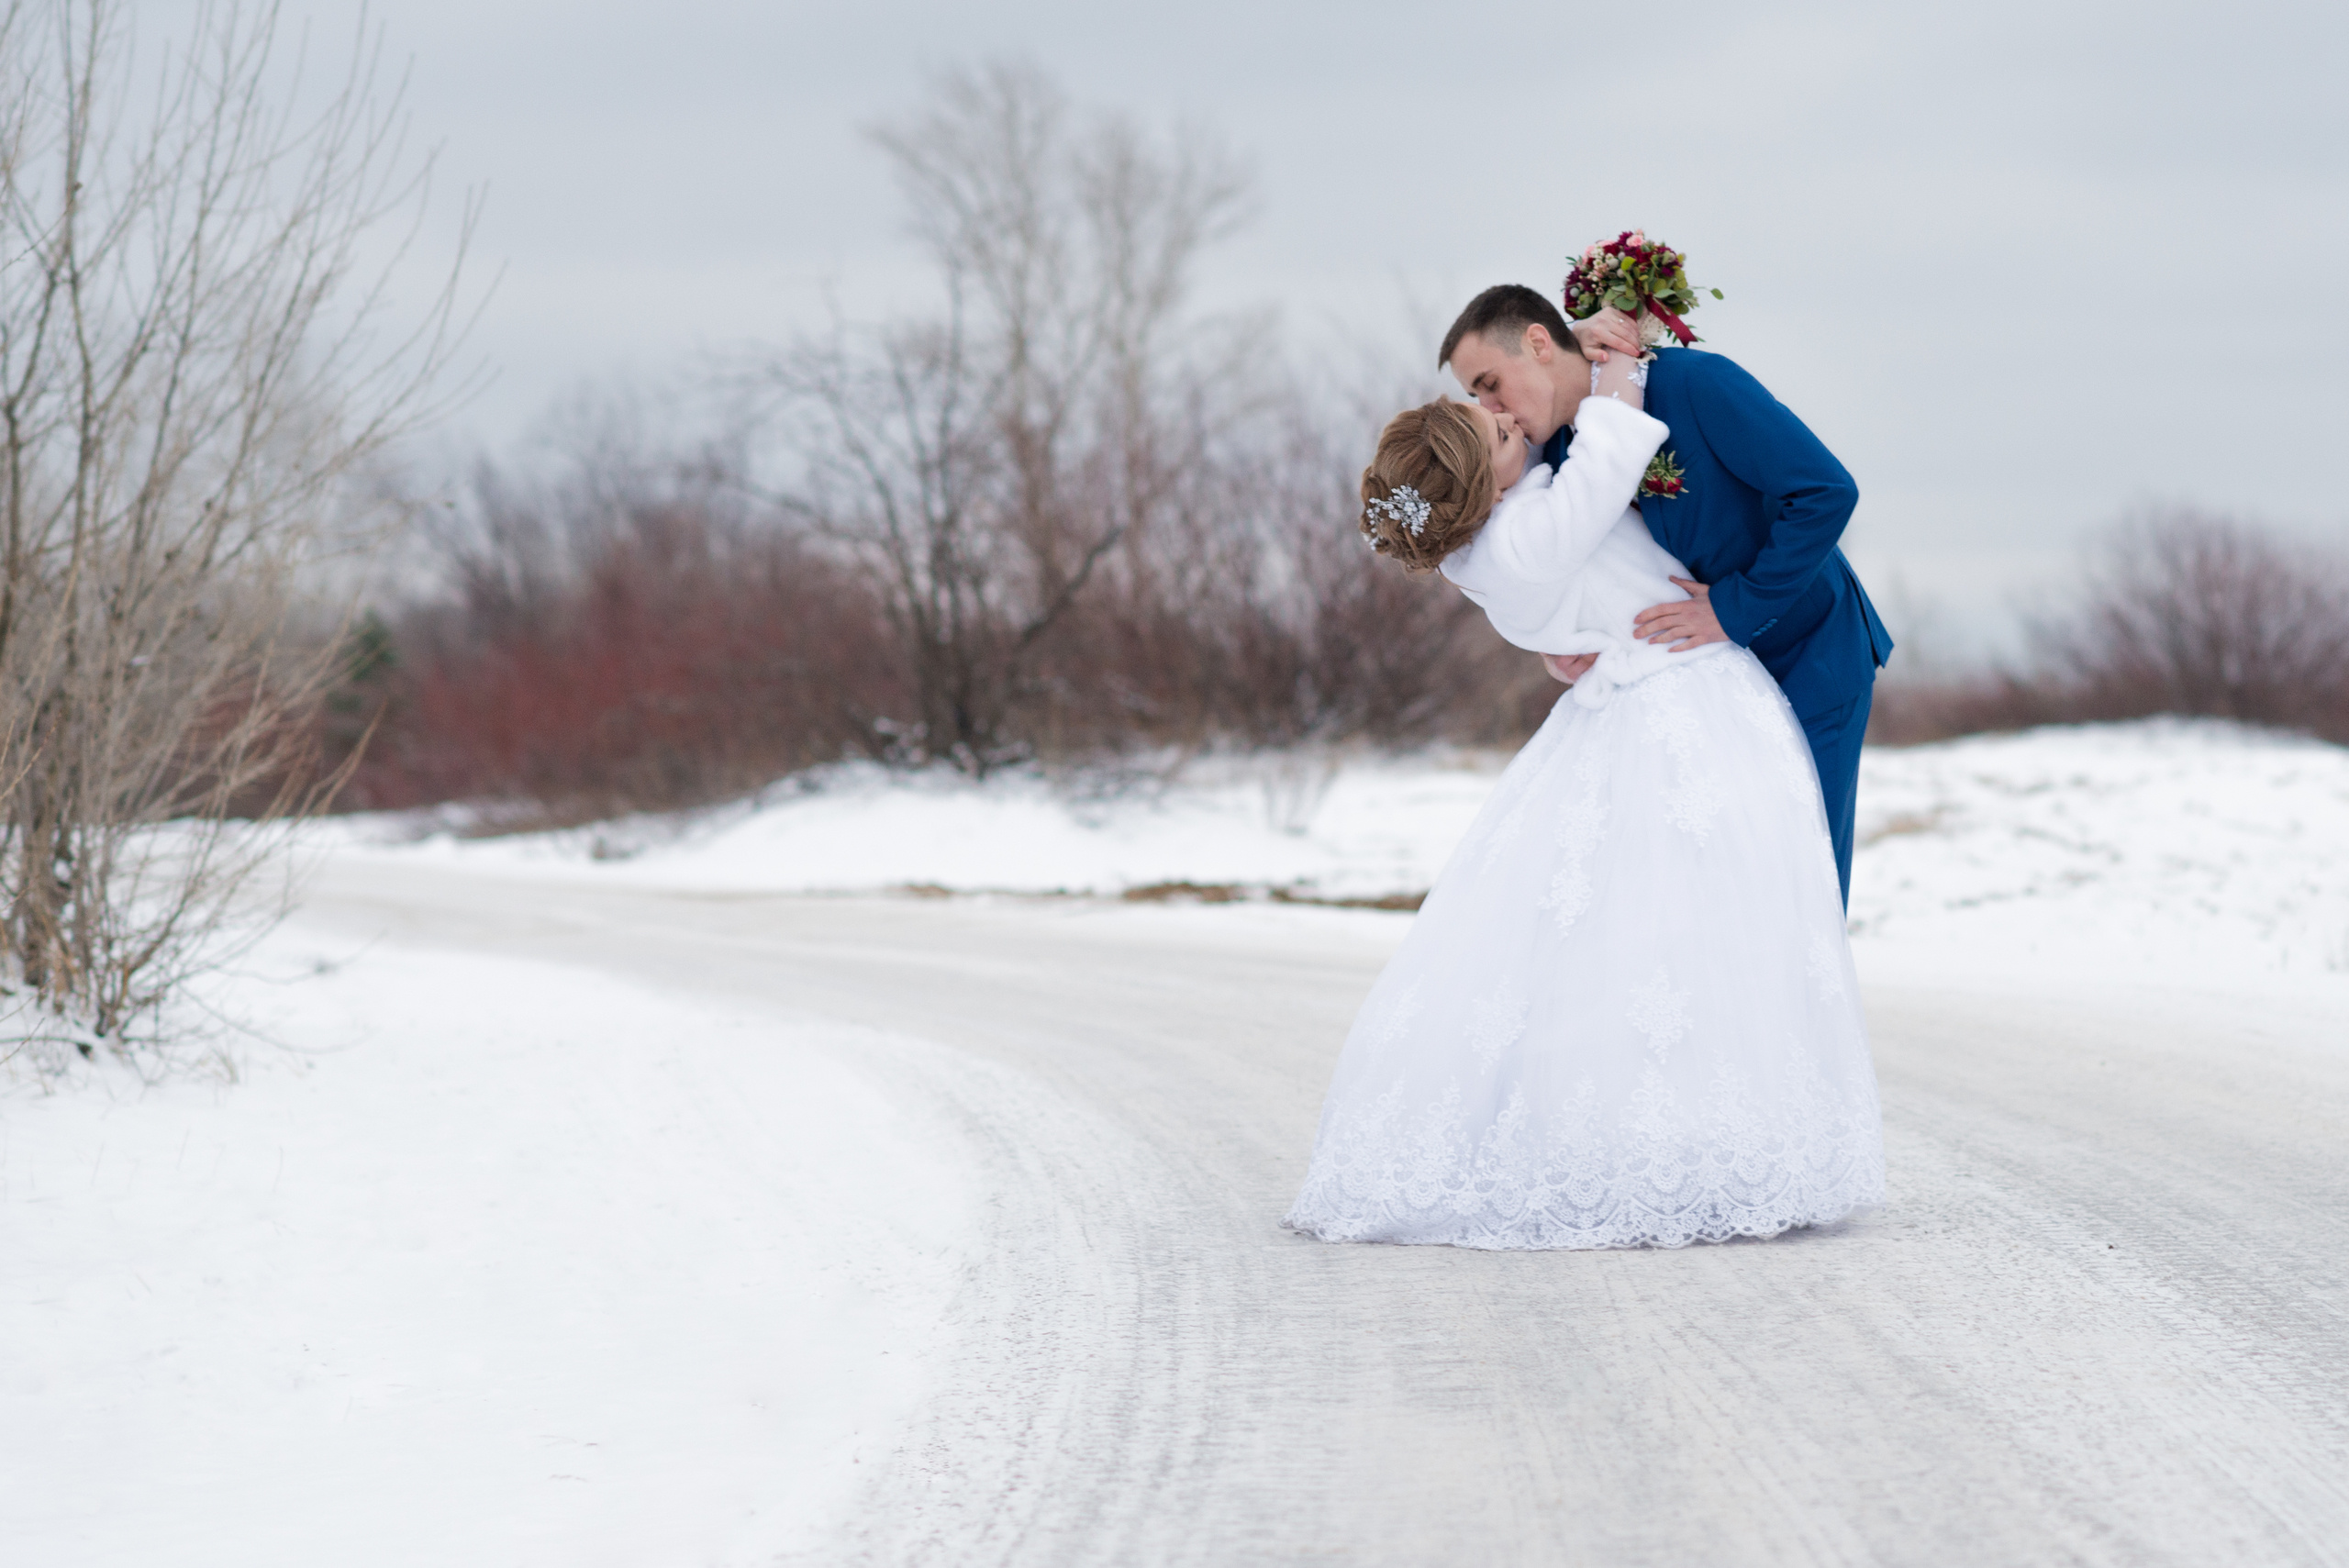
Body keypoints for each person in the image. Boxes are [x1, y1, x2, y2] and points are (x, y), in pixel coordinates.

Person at [1279, 349, 1883, 1250]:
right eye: (1494, 430)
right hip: (1684, 699)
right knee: (1697, 927)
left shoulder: (1490, 547)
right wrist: (1621, 363)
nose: (1511, 420)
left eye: (1493, 408)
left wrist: (1577, 631)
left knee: (1644, 936)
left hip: (1634, 699)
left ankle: (1696, 1126)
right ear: (1480, 485)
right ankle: (1683, 1139)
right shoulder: (1527, 535)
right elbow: (1609, 457)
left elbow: (1567, 568)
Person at [1444, 287, 1893, 904]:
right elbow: (1554, 564)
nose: (1492, 408)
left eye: (1491, 383)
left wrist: (1735, 607)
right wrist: (1560, 642)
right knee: (1714, 879)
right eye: (1475, 396)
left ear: (1539, 343)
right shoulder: (1554, 450)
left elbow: (1826, 491)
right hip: (1702, 683)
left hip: (1809, 651)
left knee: (1798, 874)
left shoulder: (1696, 385)